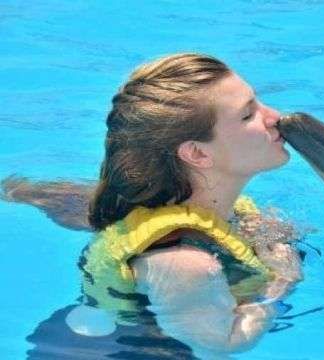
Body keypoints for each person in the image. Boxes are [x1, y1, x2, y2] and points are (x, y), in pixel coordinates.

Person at [23, 53, 303, 359]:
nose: (276, 117)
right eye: (247, 115)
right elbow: (224, 342)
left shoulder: (181, 206)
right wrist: (281, 280)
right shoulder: (186, 264)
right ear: (197, 154)